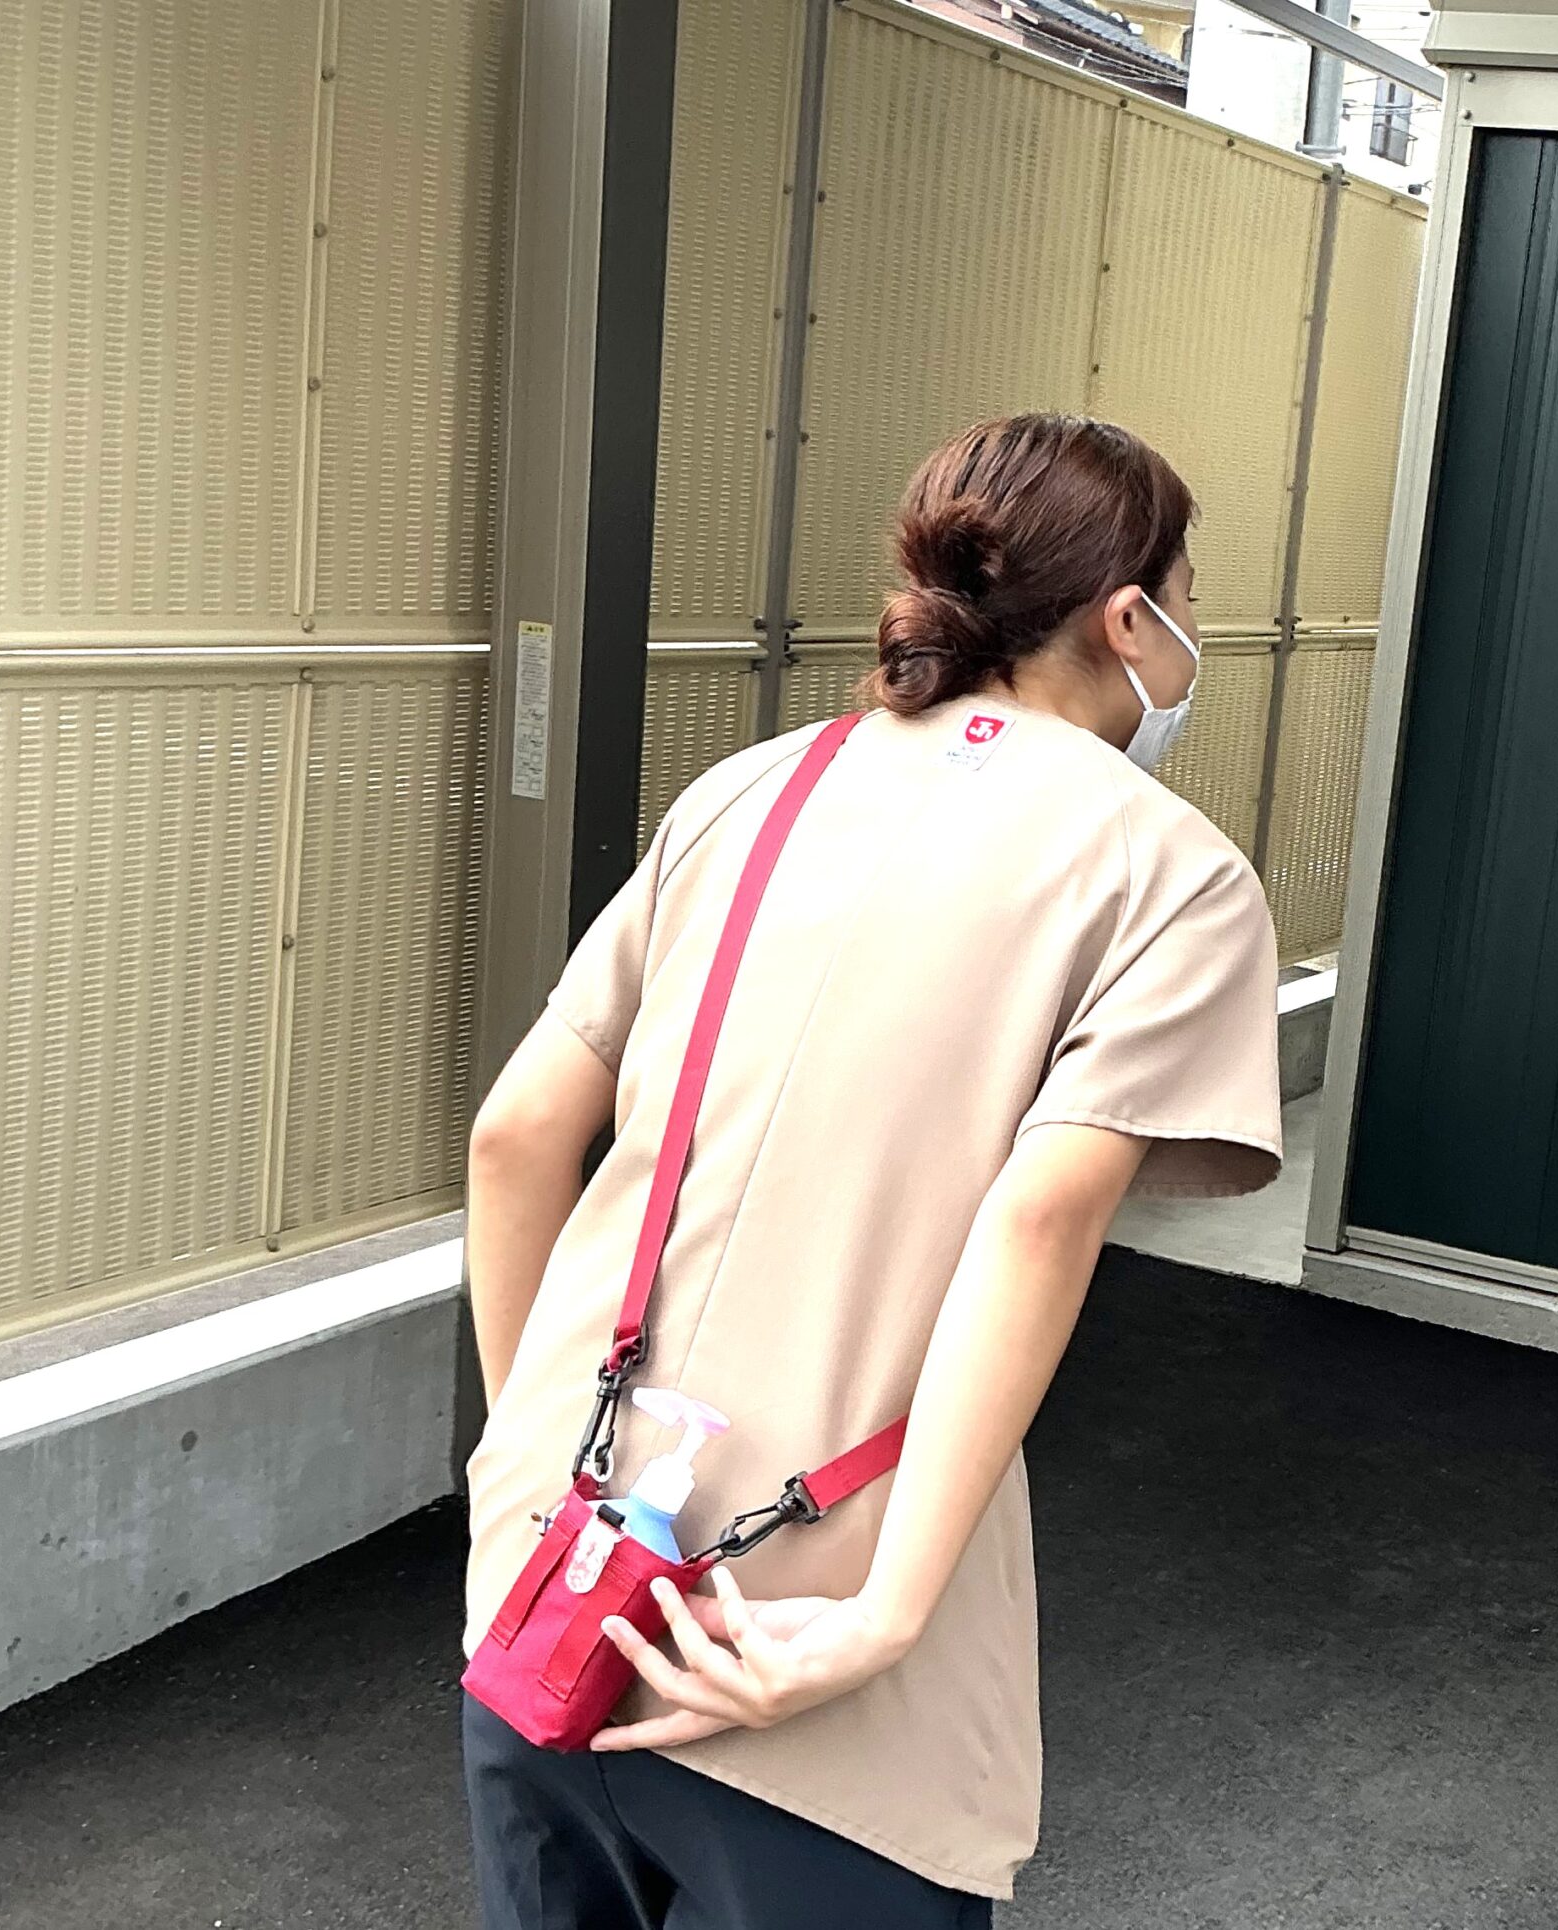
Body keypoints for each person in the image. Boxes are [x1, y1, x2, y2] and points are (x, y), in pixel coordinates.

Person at [459, 414, 1283, 1927]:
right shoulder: (1167, 873)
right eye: (1187, 597)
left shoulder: (749, 791)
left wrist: (524, 1465)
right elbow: (1039, 1220)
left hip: (552, 1602)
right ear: (1128, 618)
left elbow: (515, 1135)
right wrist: (889, 1612)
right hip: (810, 1656)